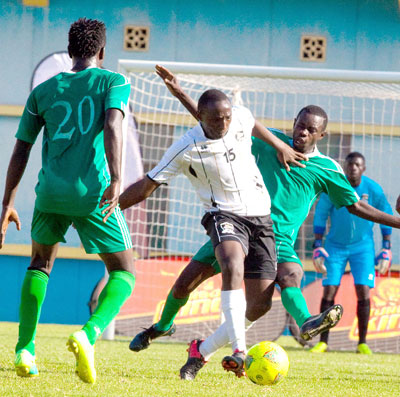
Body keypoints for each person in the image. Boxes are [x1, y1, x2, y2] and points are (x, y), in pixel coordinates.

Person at [126, 66, 400, 380]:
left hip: (276, 240)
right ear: (294, 122)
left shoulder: (327, 168)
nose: (303, 133)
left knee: (287, 278)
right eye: (300, 125)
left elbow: (356, 205)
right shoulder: (271, 143)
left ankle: (306, 321)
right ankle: (162, 326)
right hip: (238, 224)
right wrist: (182, 96)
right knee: (185, 283)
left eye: (311, 130)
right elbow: (218, 127)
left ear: (322, 135)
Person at [117, 68, 309, 377]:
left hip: (260, 218)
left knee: (259, 305)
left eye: (227, 118)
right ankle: (238, 350)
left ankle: (200, 352)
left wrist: (280, 145)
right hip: (223, 217)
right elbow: (149, 183)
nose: (224, 124)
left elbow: (248, 122)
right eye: (216, 119)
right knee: (229, 265)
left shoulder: (238, 119)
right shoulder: (185, 148)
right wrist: (113, 206)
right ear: (201, 119)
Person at [0, 18, 136, 384]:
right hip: (93, 193)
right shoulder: (113, 81)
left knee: (40, 263)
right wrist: (118, 178)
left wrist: (6, 204)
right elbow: (112, 124)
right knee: (125, 269)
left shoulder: (43, 91)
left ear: (70, 50)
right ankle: (88, 334)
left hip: (50, 193)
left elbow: (21, 150)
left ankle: (24, 350)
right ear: (102, 52)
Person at [310, 152, 393, 354]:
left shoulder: (373, 189)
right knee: (329, 290)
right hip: (334, 246)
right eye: (350, 164)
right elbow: (320, 215)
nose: (353, 167)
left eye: (357, 164)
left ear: (363, 168)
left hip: (362, 247)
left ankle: (362, 343)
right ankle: (323, 341)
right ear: (345, 167)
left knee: (363, 290)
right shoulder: (334, 186)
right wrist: (317, 245)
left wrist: (386, 248)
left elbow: (387, 215)